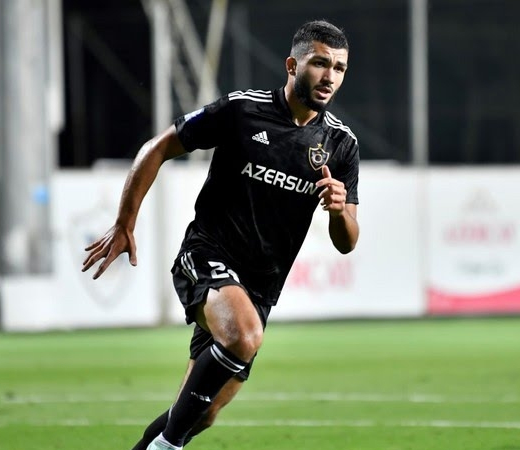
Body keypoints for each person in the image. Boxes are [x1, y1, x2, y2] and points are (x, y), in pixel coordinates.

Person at [82, 20, 359, 449]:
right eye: (320, 63)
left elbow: (347, 241)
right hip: (207, 254)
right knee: (243, 336)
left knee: (201, 412)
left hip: (261, 287)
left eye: (339, 68)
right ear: (292, 65)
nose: (330, 77)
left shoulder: (340, 144)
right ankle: (166, 447)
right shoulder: (242, 110)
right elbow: (158, 147)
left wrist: (338, 211)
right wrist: (124, 222)